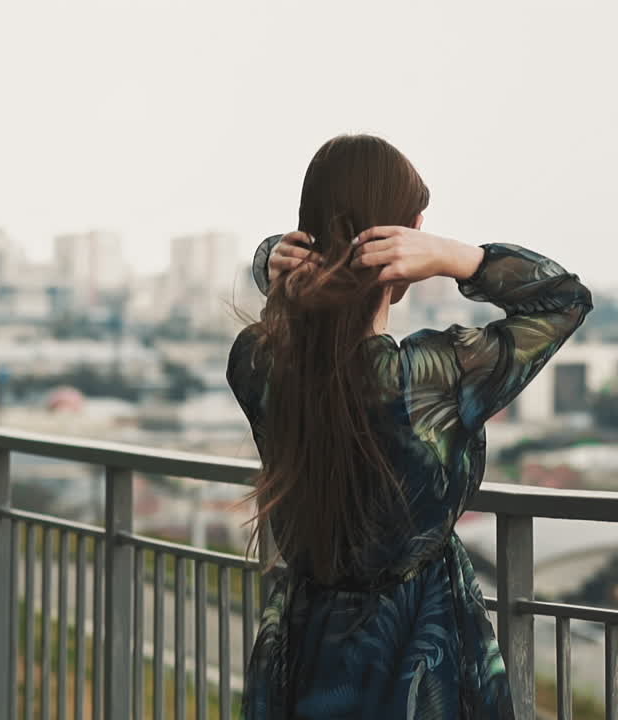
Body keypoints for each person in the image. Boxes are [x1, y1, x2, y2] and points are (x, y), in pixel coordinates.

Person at [226, 134, 593, 719]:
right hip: (419, 647)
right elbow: (563, 299)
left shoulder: (259, 363)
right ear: (410, 235)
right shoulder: (428, 379)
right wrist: (455, 257)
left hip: (306, 642)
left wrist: (273, 256)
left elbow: (287, 304)